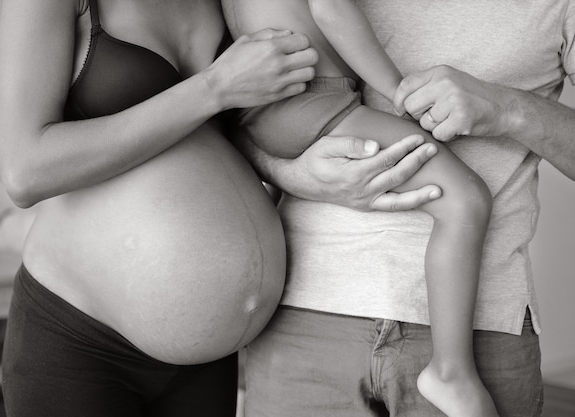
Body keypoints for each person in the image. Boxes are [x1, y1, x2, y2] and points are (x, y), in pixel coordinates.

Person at [0, 0, 440, 415]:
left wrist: (291, 173)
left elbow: (226, 133)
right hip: (81, 342)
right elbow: (25, 171)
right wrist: (213, 88)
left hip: (208, 361)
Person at [224, 1, 575, 416]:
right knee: (465, 199)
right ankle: (451, 372)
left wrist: (508, 110)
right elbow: (226, 109)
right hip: (305, 319)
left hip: (486, 328)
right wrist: (289, 172)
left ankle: (452, 371)